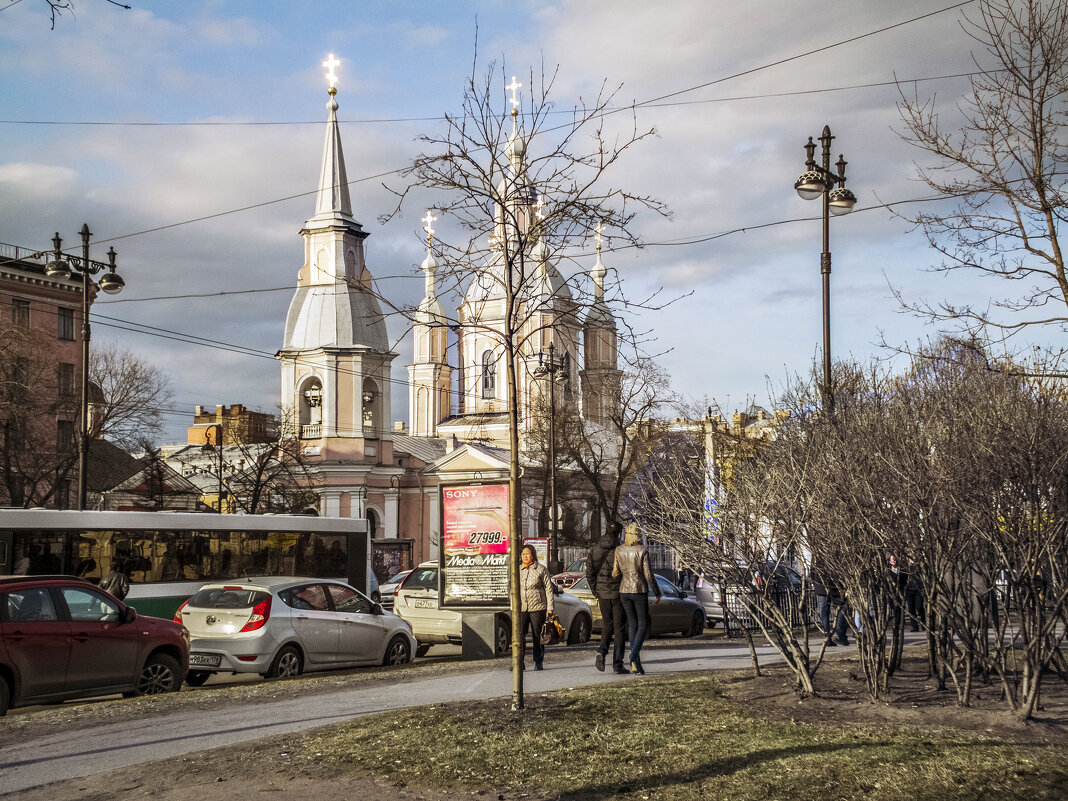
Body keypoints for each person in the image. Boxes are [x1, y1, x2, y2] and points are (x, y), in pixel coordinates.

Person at [613, 524, 661, 675]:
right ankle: (634, 653)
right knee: (643, 624)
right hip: (639, 589)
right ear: (638, 535)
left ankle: (635, 664)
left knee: (633, 624)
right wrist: (657, 592)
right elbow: (648, 574)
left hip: (624, 590)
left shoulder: (619, 550)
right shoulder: (642, 550)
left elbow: (615, 573)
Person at [586, 521, 628, 674]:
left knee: (607, 626)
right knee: (619, 629)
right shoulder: (621, 550)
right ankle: (618, 664)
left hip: (602, 593)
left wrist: (595, 590)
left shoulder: (595, 549)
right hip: (618, 592)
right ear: (619, 533)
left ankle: (601, 652)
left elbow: (589, 572)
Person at [518, 543, 554, 671]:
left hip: (538, 607)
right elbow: (512, 588)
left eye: (528, 554)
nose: (525, 556)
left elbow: (549, 590)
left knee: (537, 636)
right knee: (519, 635)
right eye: (523, 554)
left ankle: (538, 661)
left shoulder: (541, 569)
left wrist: (550, 607)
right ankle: (519, 662)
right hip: (521, 608)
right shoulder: (518, 570)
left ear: (533, 555)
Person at [811, 556, 849, 646]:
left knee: (824, 613)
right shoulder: (833, 549)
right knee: (842, 608)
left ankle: (827, 636)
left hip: (822, 586)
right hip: (835, 585)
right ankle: (839, 632)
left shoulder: (817, 553)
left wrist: (816, 583)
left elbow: (812, 571)